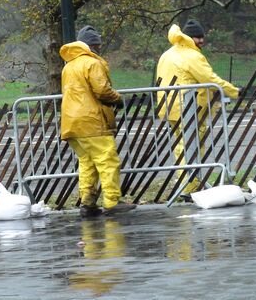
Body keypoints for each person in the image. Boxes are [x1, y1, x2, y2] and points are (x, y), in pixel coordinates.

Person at [156, 20, 240, 199]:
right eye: (197, 37)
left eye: (202, 37)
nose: (201, 41)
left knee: (181, 147)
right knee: (192, 147)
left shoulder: (167, 54)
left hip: (171, 107)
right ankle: (191, 187)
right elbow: (210, 78)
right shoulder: (192, 56)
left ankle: (186, 184)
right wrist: (234, 91)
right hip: (189, 107)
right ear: (187, 37)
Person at [60, 25, 136, 217]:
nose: (100, 48)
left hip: (72, 123)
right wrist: (117, 99)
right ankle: (112, 201)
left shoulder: (69, 66)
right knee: (107, 159)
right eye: (98, 45)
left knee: (87, 163)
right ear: (92, 45)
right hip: (91, 121)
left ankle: (87, 203)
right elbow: (101, 90)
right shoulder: (92, 63)